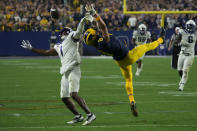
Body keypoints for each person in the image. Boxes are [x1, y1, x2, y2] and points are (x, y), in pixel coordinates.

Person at [84, 5, 165, 117]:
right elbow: (102, 25)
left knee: (128, 80)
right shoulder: (103, 40)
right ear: (95, 36)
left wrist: (90, 17)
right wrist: (94, 13)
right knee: (146, 46)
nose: (95, 30)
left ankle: (132, 100)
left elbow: (98, 28)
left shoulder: (97, 44)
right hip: (128, 56)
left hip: (120, 62)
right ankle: (161, 39)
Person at [21, 15, 96, 126]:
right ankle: (78, 116)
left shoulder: (72, 38)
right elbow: (47, 53)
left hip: (74, 69)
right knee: (64, 97)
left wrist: (82, 21)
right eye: (65, 33)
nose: (66, 34)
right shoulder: (58, 45)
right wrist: (32, 49)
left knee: (73, 94)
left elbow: (79, 31)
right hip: (65, 72)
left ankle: (90, 115)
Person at [174, 20, 197, 91]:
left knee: (185, 70)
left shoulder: (196, 33)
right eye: (189, 26)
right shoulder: (182, 32)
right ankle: (182, 80)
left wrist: (185, 43)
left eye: (191, 26)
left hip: (190, 54)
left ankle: (181, 86)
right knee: (179, 70)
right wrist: (179, 43)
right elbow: (176, 41)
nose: (190, 27)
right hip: (182, 53)